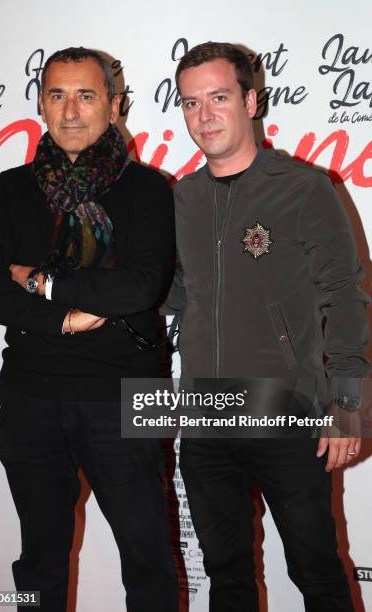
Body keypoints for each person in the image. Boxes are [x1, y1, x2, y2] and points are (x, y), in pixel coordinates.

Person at [0, 47, 178, 612]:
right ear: (41, 104)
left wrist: (41, 281)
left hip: (128, 393)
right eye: (57, 95)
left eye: (86, 95)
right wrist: (60, 318)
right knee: (38, 561)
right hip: (33, 395)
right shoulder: (11, 190)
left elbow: (139, 287)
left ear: (114, 104)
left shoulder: (150, 190)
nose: (72, 111)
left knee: (149, 556)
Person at [164, 41, 371, 611]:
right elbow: (176, 293)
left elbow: (345, 299)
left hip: (288, 411)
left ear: (252, 100)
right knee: (226, 577)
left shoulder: (305, 189)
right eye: (189, 103)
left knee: (316, 572)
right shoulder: (182, 197)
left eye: (219, 98)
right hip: (205, 420)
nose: (203, 116)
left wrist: (347, 404)